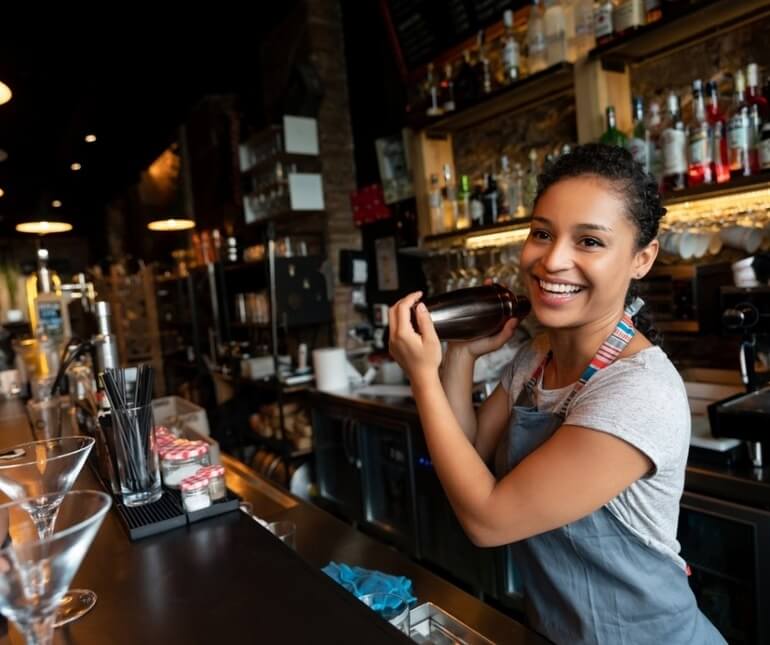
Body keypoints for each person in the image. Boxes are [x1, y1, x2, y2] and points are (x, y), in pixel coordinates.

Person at [388, 144, 725, 644]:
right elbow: (471, 458)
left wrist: (422, 377)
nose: (552, 259)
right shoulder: (536, 357)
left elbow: (487, 520)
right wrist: (459, 358)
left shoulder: (638, 392)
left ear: (642, 258)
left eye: (589, 241)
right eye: (542, 233)